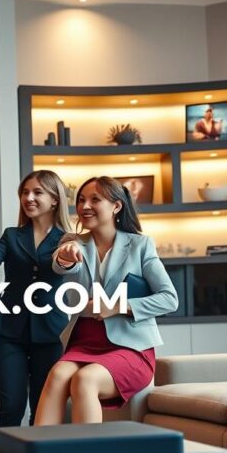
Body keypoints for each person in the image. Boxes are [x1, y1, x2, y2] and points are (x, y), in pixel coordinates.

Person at [34, 176, 178, 425]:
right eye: (80, 200)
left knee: (85, 380)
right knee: (57, 375)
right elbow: (60, 264)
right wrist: (65, 257)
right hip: (84, 342)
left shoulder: (140, 245)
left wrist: (119, 306)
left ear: (116, 206)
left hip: (130, 348)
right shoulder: (73, 243)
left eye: (94, 200)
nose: (85, 206)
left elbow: (169, 299)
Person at [0, 170, 72, 427]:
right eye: (25, 192)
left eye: (37, 192)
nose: (29, 198)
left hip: (50, 334)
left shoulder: (68, 240)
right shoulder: (11, 235)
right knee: (11, 407)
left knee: (42, 409)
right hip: (9, 334)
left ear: (55, 199)